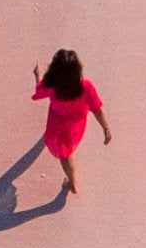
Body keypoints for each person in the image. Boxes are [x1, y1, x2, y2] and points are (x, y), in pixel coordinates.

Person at [33, 48, 110, 196]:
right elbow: (97, 110)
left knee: (64, 154)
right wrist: (105, 127)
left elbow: (38, 92)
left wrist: (38, 74)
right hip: (76, 124)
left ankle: (72, 180)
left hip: (57, 124)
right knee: (66, 152)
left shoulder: (51, 87)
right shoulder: (86, 87)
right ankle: (72, 181)